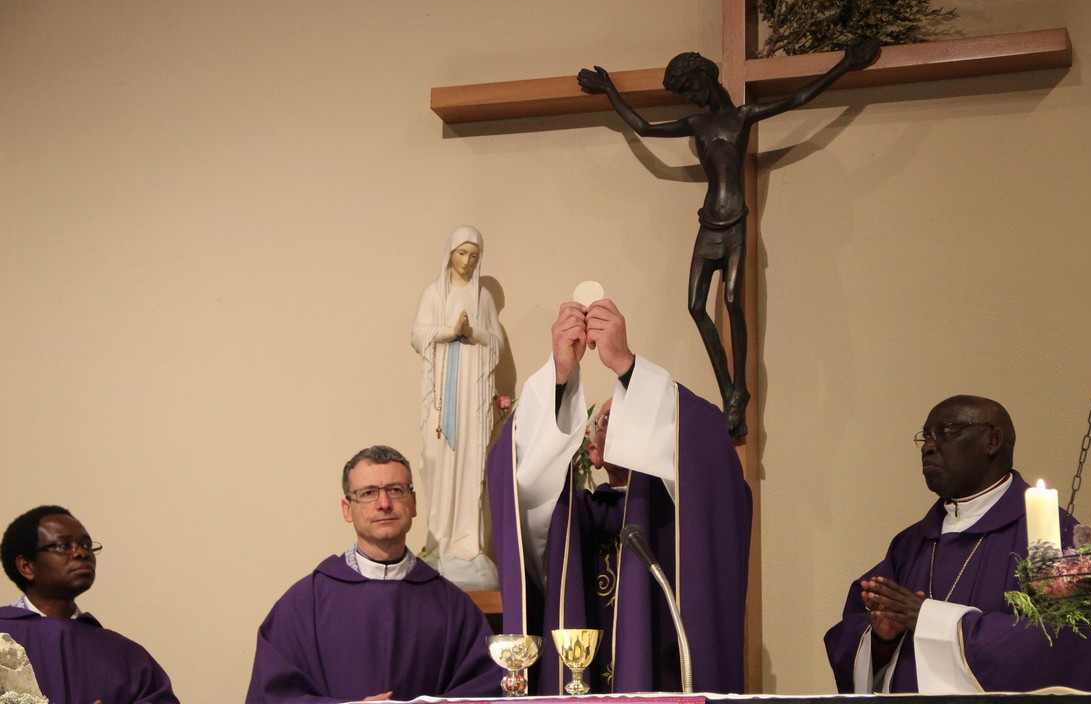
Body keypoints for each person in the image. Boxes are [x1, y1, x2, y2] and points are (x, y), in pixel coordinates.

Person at [577, 39, 879, 437]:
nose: (690, 97)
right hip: (709, 222)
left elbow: (799, 98)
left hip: (736, 221)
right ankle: (729, 389)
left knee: (734, 301)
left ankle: (739, 391)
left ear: (704, 77)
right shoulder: (696, 124)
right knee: (695, 306)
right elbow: (644, 127)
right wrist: (609, 91)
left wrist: (844, 65)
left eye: (689, 88)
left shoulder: (743, 116)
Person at [487, 298, 752, 694]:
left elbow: (712, 457)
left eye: (632, 410)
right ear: (593, 450)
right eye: (610, 418)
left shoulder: (680, 514)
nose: (623, 422)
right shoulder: (569, 517)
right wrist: (559, 376)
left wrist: (627, 366)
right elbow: (517, 478)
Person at [824, 395, 1091, 693]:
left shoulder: (1058, 538)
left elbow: (1079, 640)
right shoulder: (909, 546)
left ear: (992, 440)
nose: (929, 446)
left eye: (946, 431)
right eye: (926, 436)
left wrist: (931, 619)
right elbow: (852, 635)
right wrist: (882, 639)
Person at [245, 446, 498, 703]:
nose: (384, 504)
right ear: (347, 509)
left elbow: (485, 689)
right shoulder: (304, 604)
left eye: (395, 490)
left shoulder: (452, 605)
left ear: (413, 503)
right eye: (368, 493)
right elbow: (272, 695)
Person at [0, 505, 179, 704]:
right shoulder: (3, 633)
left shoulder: (126, 655)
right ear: (27, 566)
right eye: (63, 546)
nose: (81, 553)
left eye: (86, 545)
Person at [411, 224, 503, 589]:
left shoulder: (482, 298)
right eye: (462, 253)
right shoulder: (435, 293)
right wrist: (450, 331)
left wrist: (472, 332)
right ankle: (438, 543)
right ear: (450, 253)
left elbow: (495, 341)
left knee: (467, 464)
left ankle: (467, 546)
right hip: (439, 397)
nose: (467, 261)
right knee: (435, 462)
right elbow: (418, 334)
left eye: (474, 256)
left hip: (470, 402)